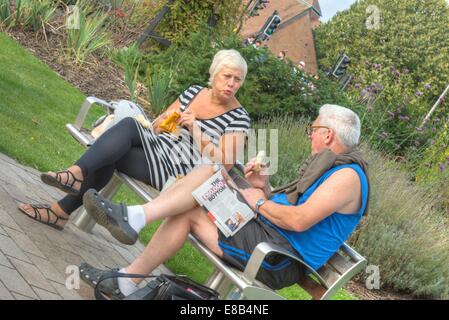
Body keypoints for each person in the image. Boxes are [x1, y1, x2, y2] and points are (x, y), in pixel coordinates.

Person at [79, 104, 369, 298]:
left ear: (327, 134)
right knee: (209, 177)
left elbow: (298, 220)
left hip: (274, 258)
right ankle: (128, 273)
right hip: (266, 239)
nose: (310, 137)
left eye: (313, 130)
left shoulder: (347, 177)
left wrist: (257, 203)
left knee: (201, 191)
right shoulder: (332, 167)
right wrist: (262, 187)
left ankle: (133, 234)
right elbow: (286, 212)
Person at [18, 49, 251, 231]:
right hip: (159, 149)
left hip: (181, 172)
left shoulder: (239, 118)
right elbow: (160, 126)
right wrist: (166, 120)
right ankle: (63, 204)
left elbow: (224, 164)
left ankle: (70, 185)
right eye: (227, 76)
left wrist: (197, 130)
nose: (231, 83)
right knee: (116, 146)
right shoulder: (194, 92)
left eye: (237, 80)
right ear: (214, 75)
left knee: (121, 138)